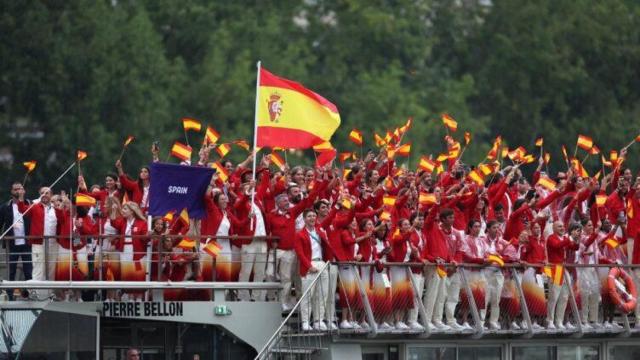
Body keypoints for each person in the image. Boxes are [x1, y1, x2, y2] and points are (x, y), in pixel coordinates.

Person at [294, 209, 330, 331]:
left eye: (314, 216)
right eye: (309, 216)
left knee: (322, 294)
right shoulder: (299, 234)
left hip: (321, 263)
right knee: (307, 295)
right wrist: (309, 266)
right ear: (304, 219)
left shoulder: (320, 232)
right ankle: (305, 321)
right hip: (310, 264)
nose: (312, 218)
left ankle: (318, 320)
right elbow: (300, 253)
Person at [18, 187, 63, 282]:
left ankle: (50, 295)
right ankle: (37, 295)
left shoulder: (56, 208)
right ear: (39, 194)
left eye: (47, 193)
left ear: (51, 195)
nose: (44, 195)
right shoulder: (34, 206)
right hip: (38, 243)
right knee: (38, 269)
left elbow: (62, 220)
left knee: (51, 270)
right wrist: (21, 196)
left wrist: (58, 208)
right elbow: (22, 210)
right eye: (42, 193)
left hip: (53, 243)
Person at [0, 182, 32, 300]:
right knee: (11, 272)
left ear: (24, 191)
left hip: (27, 244)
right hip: (11, 245)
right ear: (12, 192)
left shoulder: (30, 204)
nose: (18, 191)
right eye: (15, 189)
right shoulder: (5, 207)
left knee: (28, 270)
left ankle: (30, 294)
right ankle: (9, 296)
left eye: (20, 189)